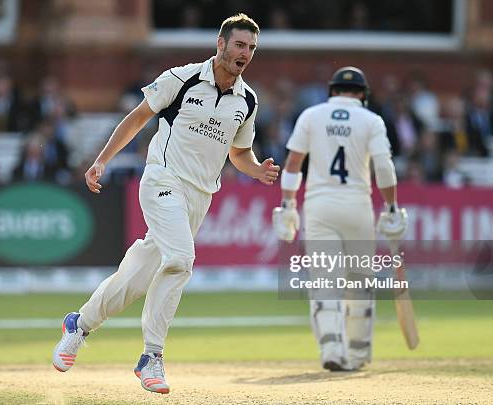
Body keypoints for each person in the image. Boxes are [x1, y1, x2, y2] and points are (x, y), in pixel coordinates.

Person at [52, 13, 279, 394]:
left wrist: (255, 170)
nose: (246, 54)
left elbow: (239, 153)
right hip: (162, 180)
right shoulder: (182, 78)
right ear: (220, 44)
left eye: (252, 48)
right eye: (240, 45)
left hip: (199, 197)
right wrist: (102, 159)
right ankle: (151, 357)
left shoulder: (248, 100)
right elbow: (138, 117)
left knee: (138, 277)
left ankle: (80, 323)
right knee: (181, 260)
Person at [272, 67, 407, 371]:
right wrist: (392, 207)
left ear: (333, 91)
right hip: (357, 207)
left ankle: (332, 349)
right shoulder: (372, 121)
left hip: (320, 207)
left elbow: (293, 164)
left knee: (324, 282)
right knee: (360, 283)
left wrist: (288, 204)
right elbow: (384, 168)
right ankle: (358, 353)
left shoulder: (311, 115)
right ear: (362, 94)